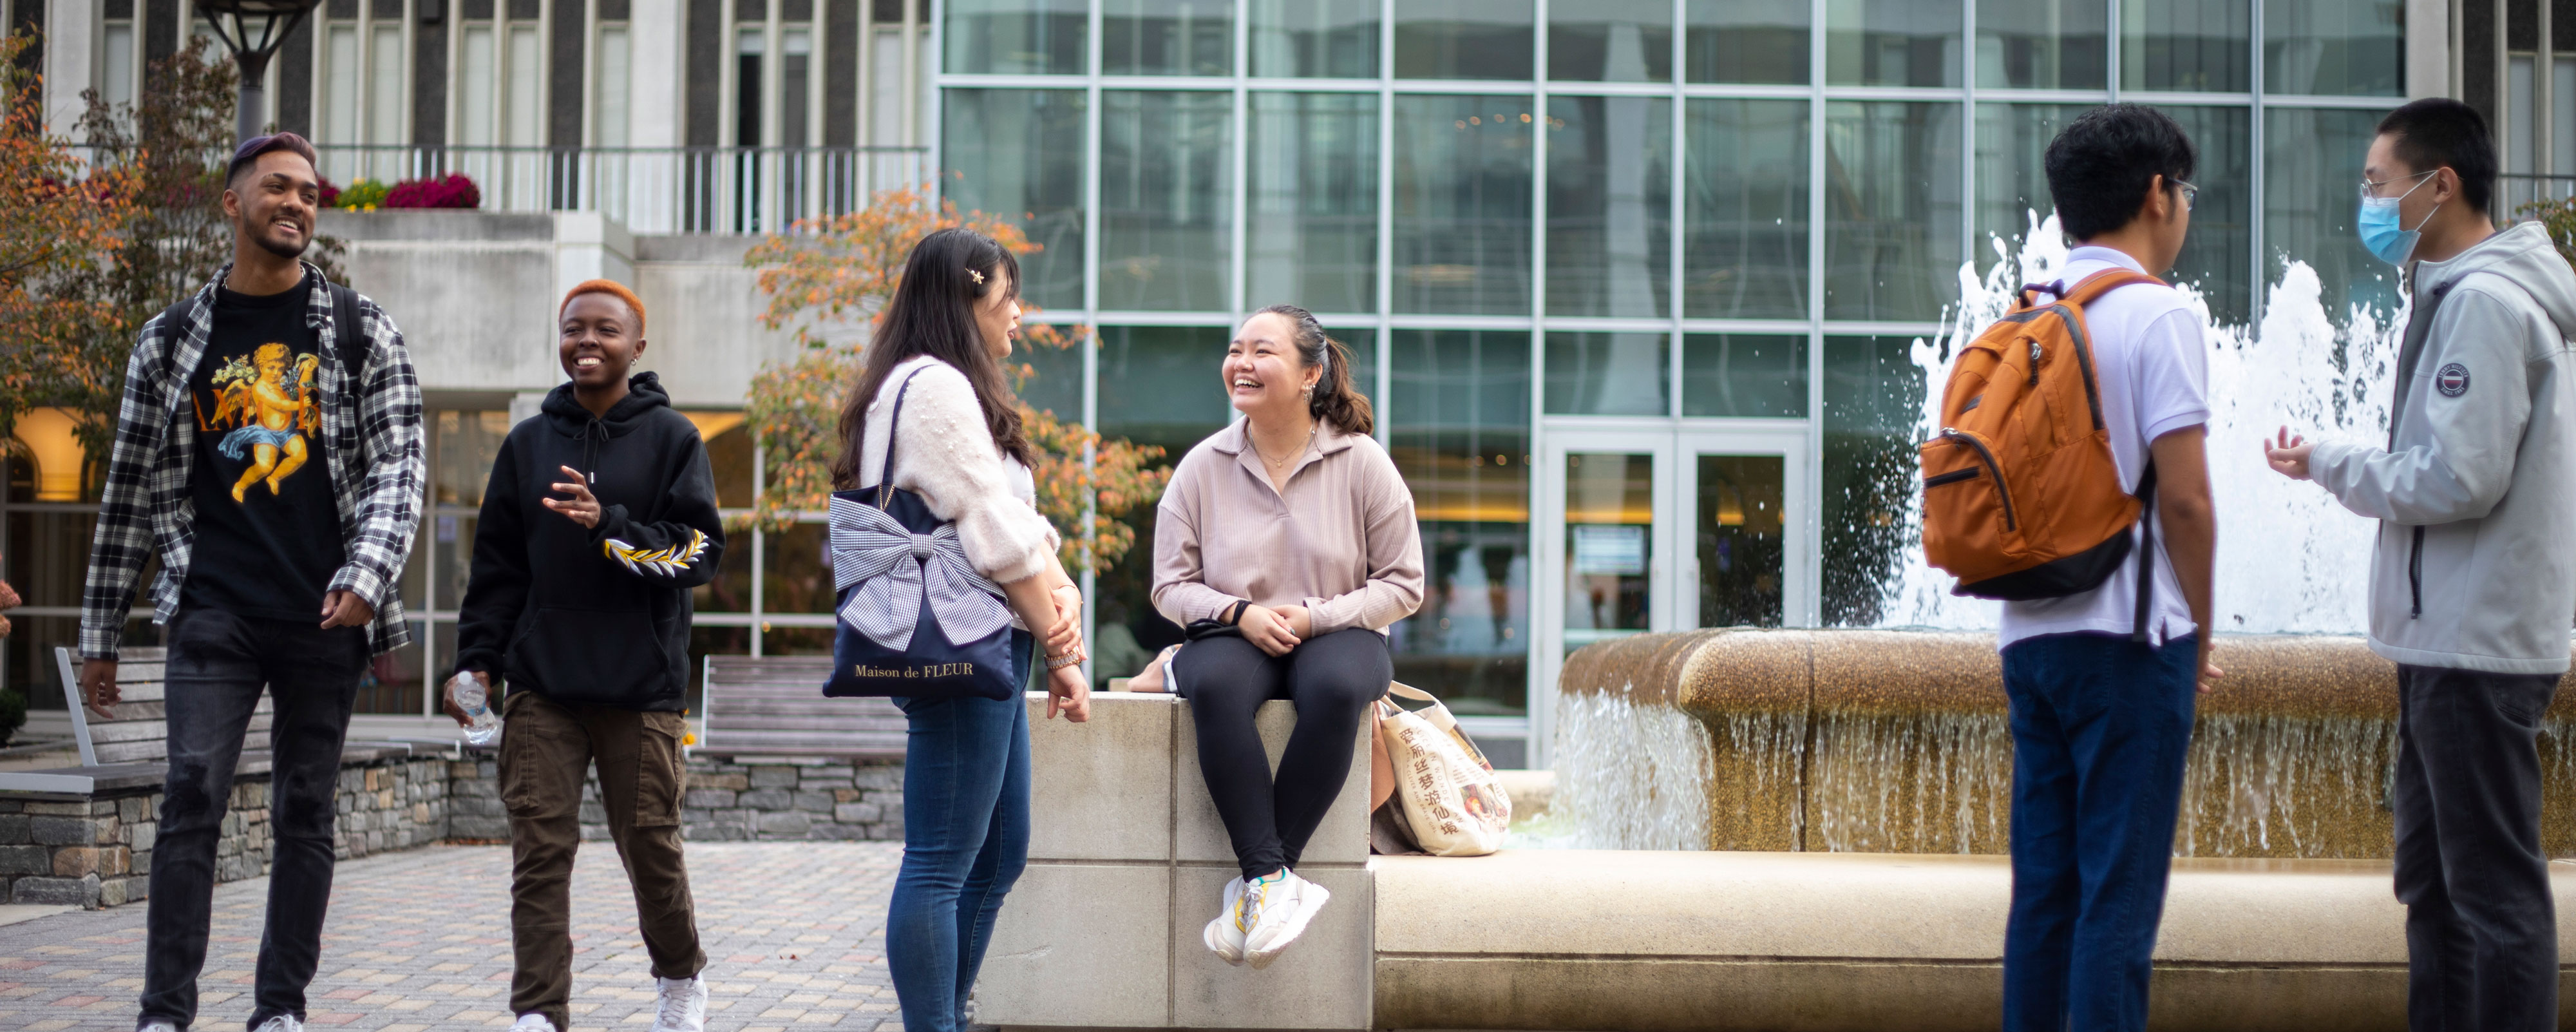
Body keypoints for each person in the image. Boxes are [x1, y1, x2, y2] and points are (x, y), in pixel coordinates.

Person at [77, 132, 423, 1032]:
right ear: (232, 203)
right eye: (277, 188)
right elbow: (124, 492)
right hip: (212, 607)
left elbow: (402, 469)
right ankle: (164, 1012)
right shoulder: (170, 341)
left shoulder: (359, 328)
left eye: (309, 192)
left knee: (305, 808)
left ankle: (279, 1009)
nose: (297, 204)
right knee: (191, 793)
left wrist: (369, 574)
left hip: (326, 609)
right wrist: (99, 633)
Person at [2264, 98, 2576, 1032]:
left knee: (2488, 894)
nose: (2368, 203)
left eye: (2376, 184)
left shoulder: (2483, 301)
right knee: (2437, 886)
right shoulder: (2469, 295)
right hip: (2455, 637)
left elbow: (2459, 478)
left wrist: (2329, 462)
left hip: (2471, 648)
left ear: (2440, 186)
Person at [1993, 105, 2221, 1031]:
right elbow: (2188, 501)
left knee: (2044, 895)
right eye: (2186, 192)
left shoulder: (2023, 315)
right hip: (2129, 642)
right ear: (2157, 194)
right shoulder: (2159, 314)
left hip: (2030, 638)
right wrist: (2202, 626)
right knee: (2117, 904)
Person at [448, 280, 723, 1032]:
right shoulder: (529, 443)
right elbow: (498, 571)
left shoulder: (675, 440)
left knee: (651, 851)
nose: (587, 342)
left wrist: (612, 526)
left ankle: (679, 976)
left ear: (638, 346)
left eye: (606, 331)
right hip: (543, 687)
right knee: (540, 852)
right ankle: (538, 1011)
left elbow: (699, 555)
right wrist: (477, 663)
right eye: (574, 330)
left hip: (641, 689)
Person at [841, 228, 1090, 1032]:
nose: (1018, 313)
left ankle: (948, 1011)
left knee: (997, 852)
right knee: (943, 861)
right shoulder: (932, 386)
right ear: (965, 299)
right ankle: (935, 1024)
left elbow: (1010, 521)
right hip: (957, 641)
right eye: (1006, 296)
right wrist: (1059, 639)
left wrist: (1057, 605)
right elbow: (993, 529)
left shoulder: (937, 387)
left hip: (986, 640)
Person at [1153, 305, 1425, 969]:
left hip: (1338, 631)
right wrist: (1237, 612)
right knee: (1213, 683)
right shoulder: (1202, 466)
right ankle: (1272, 884)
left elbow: (1403, 583)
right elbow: (1168, 585)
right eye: (1234, 350)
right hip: (1232, 634)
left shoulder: (1363, 463)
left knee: (1336, 685)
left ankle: (1261, 883)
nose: (1240, 363)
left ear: (1310, 374)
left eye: (1261, 352)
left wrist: (1313, 617)